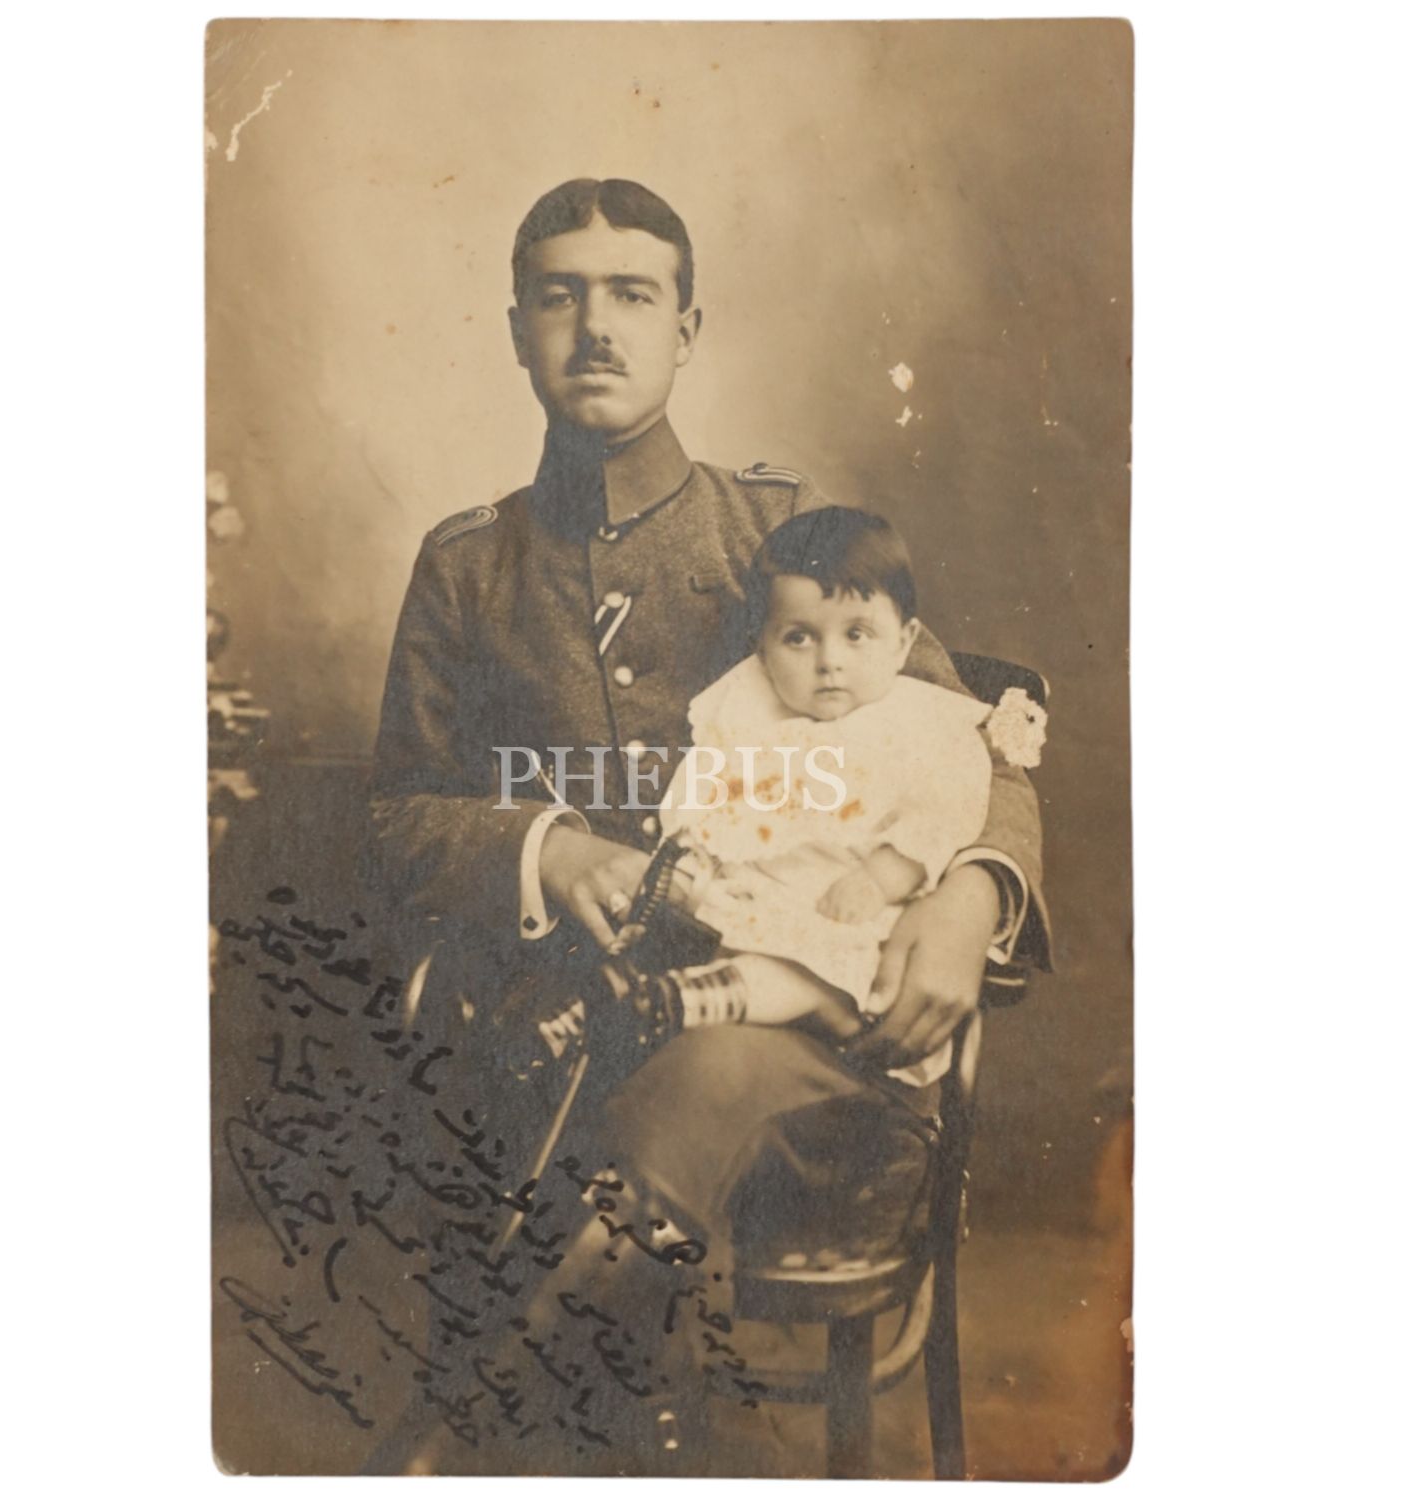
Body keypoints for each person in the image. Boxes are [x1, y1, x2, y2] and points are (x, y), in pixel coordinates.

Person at [366, 177, 1051, 1470]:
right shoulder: (468, 565)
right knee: (493, 1135)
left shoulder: (779, 535)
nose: (595, 328)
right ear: (516, 330)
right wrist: (546, 848)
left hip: (803, 1035)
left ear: (686, 329)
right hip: (554, 1031)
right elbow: (397, 814)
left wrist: (971, 900)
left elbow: (969, 743)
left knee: (672, 1115)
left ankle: (489, 1442)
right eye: (560, 297)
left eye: (632, 295)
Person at [642, 505, 1001, 1094]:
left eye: (856, 635)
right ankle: (642, 1003)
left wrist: (880, 879)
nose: (829, 661)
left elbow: (941, 813)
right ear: (763, 648)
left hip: (862, 915)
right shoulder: (747, 705)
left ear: (904, 641)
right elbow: (702, 784)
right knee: (685, 935)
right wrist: (691, 853)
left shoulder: (922, 724)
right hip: (751, 902)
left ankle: (694, 1000)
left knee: (823, 968)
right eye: (799, 638)